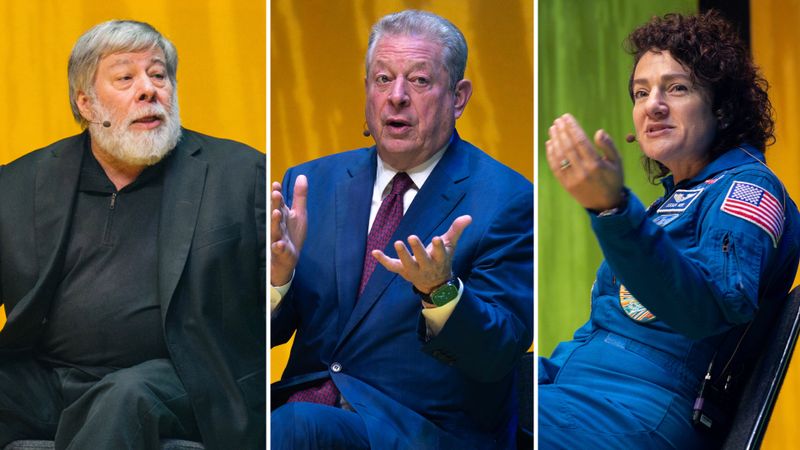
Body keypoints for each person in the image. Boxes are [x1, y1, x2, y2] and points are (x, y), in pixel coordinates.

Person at [270, 9, 533, 449]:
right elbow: (260, 336)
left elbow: (498, 353)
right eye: (382, 78)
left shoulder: (505, 199)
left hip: (418, 429)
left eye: (419, 81)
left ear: (459, 97)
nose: (396, 97)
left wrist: (440, 292)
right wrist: (278, 280)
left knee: (296, 427)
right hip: (302, 409)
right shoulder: (312, 185)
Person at [539, 11, 800, 449]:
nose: (652, 105)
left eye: (676, 88)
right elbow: (605, 327)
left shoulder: (749, 189)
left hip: (642, 413)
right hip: (579, 393)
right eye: (641, 93)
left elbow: (710, 309)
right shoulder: (670, 202)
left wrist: (613, 210)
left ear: (722, 105)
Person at [0, 20, 265, 449]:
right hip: (51, 377)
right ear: (86, 104)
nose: (149, 90)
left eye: (158, 75)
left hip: (181, 378)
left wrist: (280, 278)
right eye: (126, 78)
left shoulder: (241, 175)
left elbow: (281, 313)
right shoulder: (20, 184)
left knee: (123, 398)